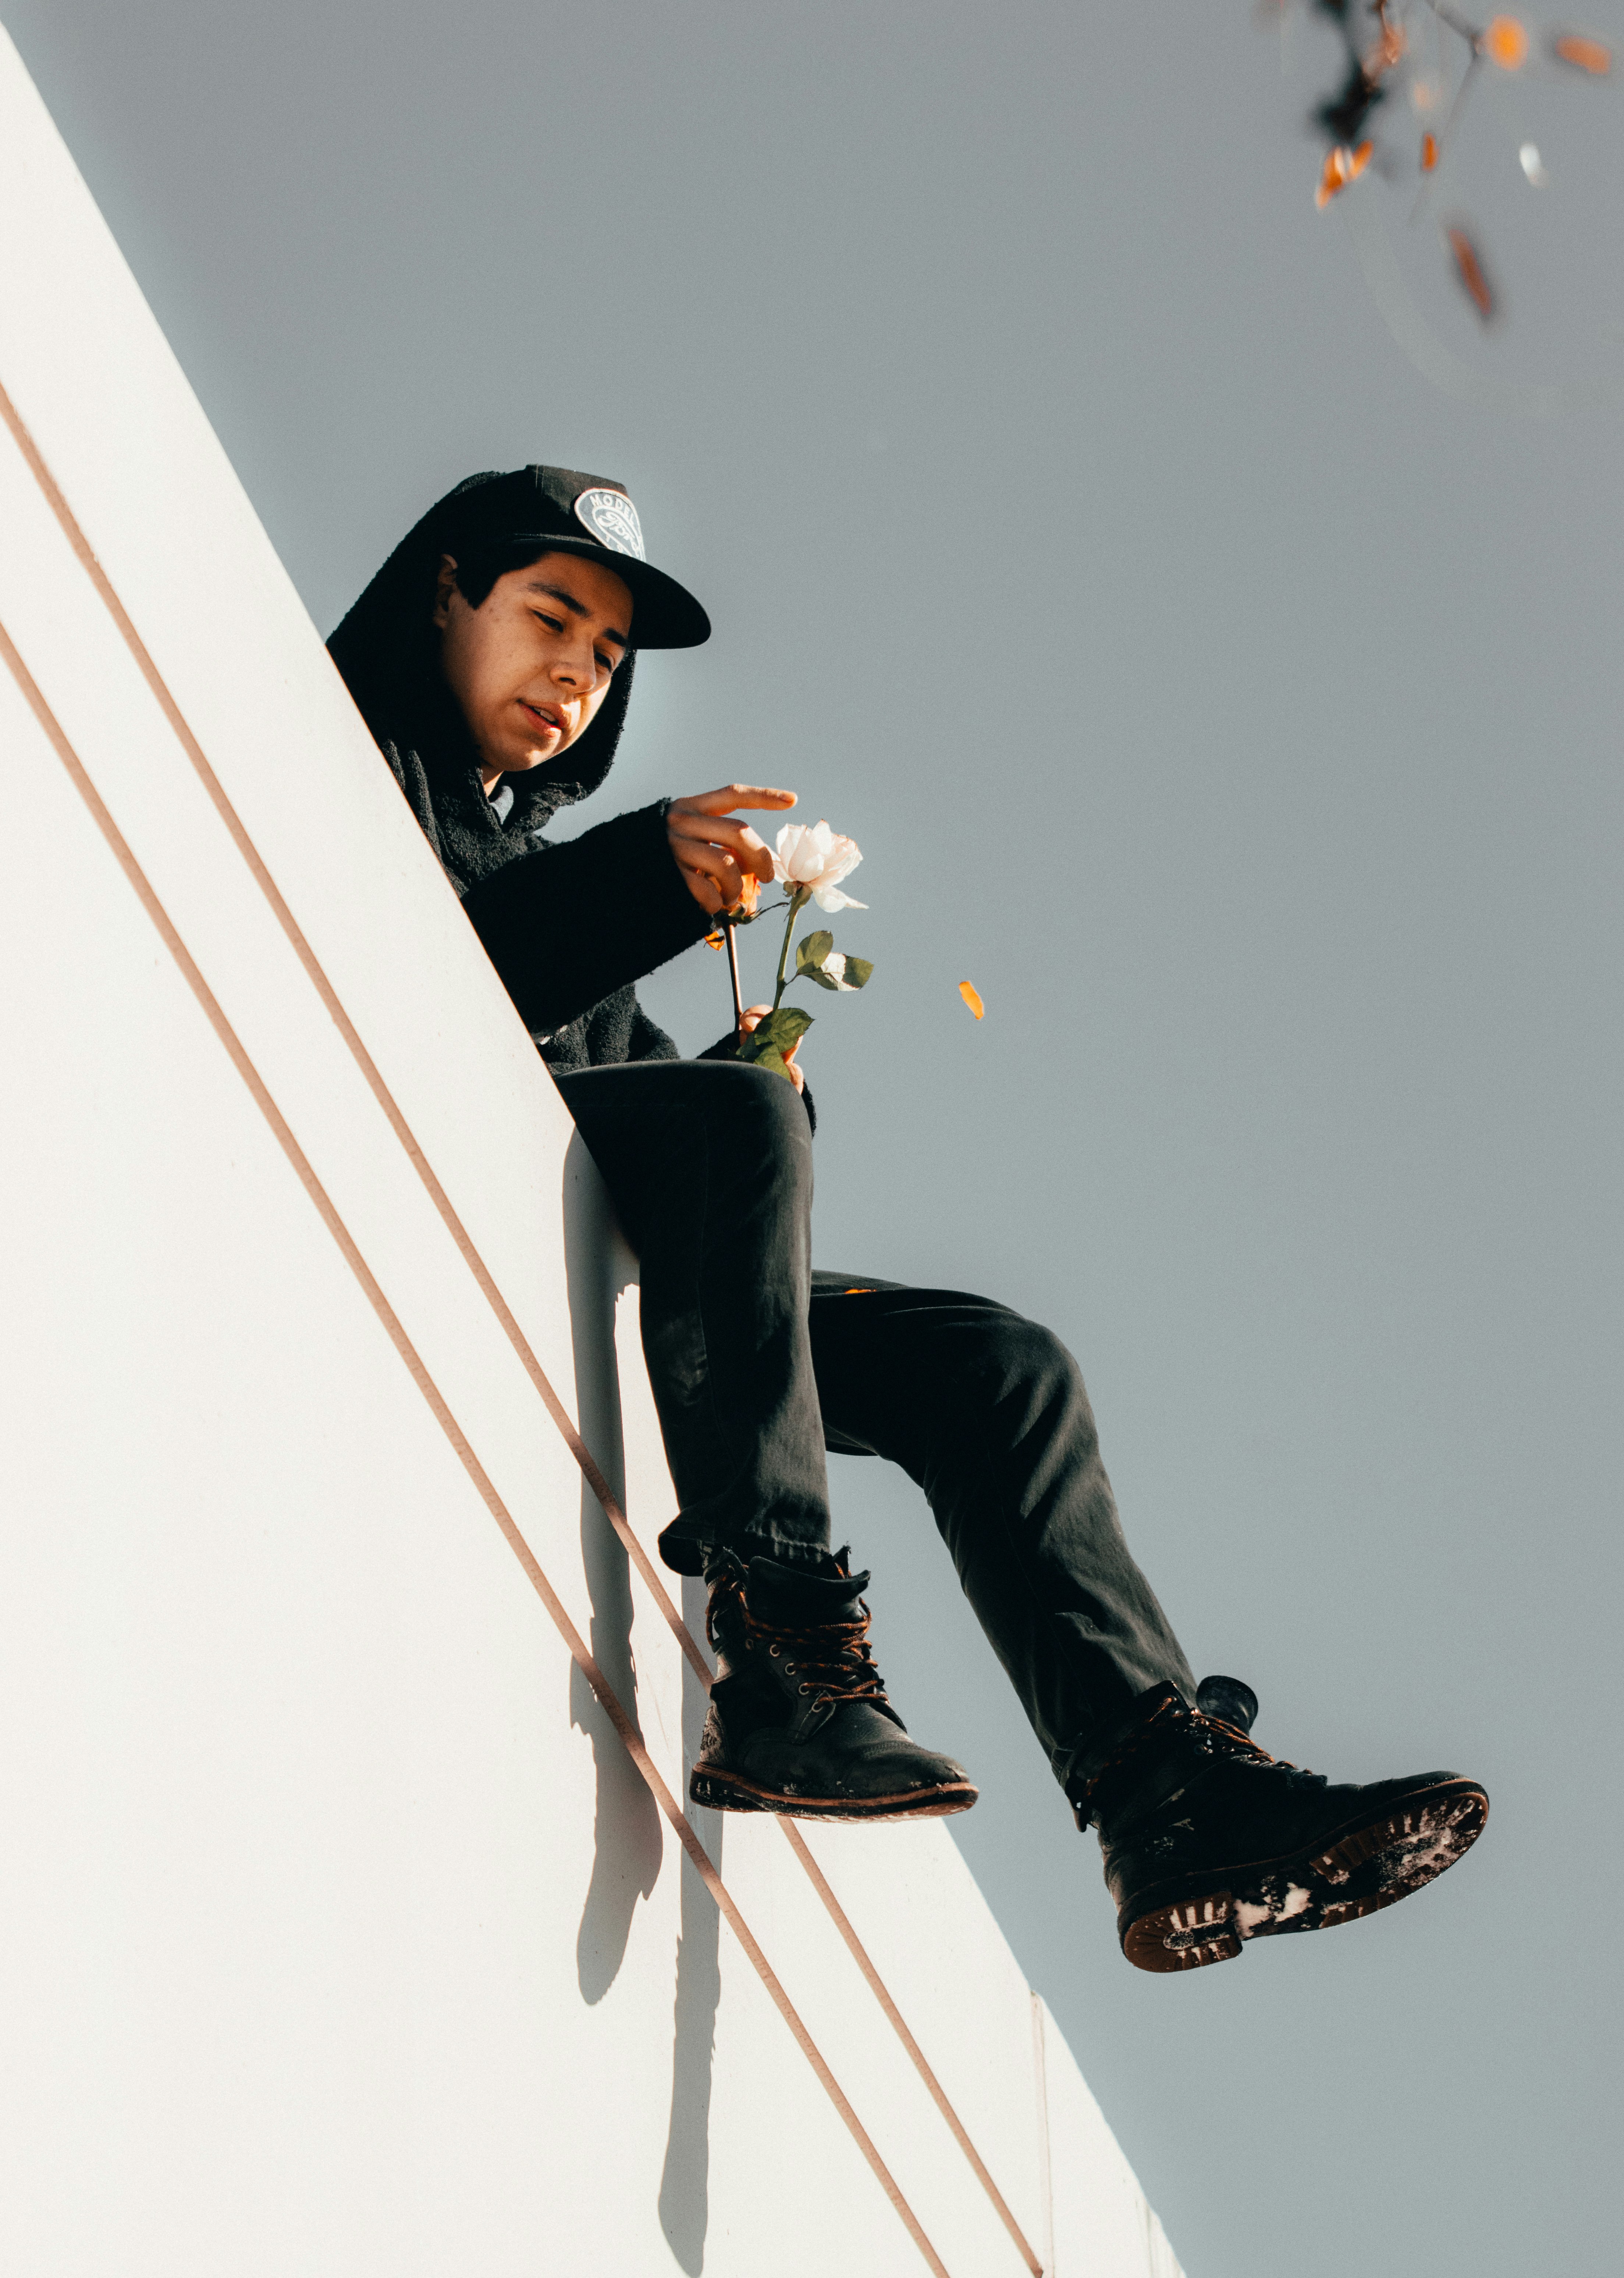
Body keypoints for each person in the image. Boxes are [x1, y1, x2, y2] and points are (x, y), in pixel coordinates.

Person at [328, 463, 1488, 1974]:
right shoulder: (337, 751)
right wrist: (640, 898)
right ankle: (787, 1660)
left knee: (996, 1361)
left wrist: (749, 1084)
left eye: (606, 656)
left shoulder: (547, 868)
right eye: (551, 616)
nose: (576, 673)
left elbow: (630, 1099)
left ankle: (1164, 1796)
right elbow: (411, 972)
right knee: (736, 1117)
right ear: (446, 589)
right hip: (448, 1164)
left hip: (630, 1247)